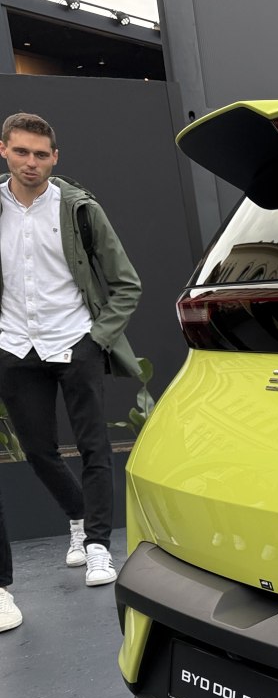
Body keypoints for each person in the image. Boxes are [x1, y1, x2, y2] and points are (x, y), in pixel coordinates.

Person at [0, 112, 141, 585]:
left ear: (55, 158)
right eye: (21, 151)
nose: (31, 162)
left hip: (74, 341)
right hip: (15, 347)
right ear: (4, 150)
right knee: (38, 451)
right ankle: (79, 519)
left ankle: (99, 546)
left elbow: (127, 285)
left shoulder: (79, 209)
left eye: (41, 154)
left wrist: (95, 339)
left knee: (94, 446)